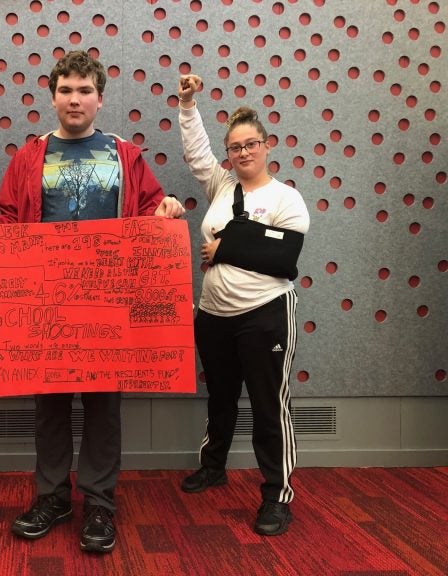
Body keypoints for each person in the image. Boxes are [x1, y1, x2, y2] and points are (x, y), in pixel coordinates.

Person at [0, 51, 184, 553]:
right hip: (48, 304)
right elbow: (11, 221)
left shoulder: (125, 154)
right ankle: (53, 497)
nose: (75, 99)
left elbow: (152, 210)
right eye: (66, 90)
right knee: (50, 408)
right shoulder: (29, 157)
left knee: (105, 408)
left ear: (100, 98)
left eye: (84, 90)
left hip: (109, 300)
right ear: (53, 96)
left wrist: (166, 208)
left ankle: (100, 505)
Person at [176, 73, 310, 536]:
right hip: (213, 316)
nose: (243, 152)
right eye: (235, 147)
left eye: (251, 144)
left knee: (269, 405)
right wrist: (188, 105)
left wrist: (227, 247)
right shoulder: (221, 187)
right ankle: (213, 467)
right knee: (221, 398)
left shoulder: (286, 199)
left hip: (265, 314)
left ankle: (276, 494)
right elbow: (196, 151)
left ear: (267, 145)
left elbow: (282, 259)